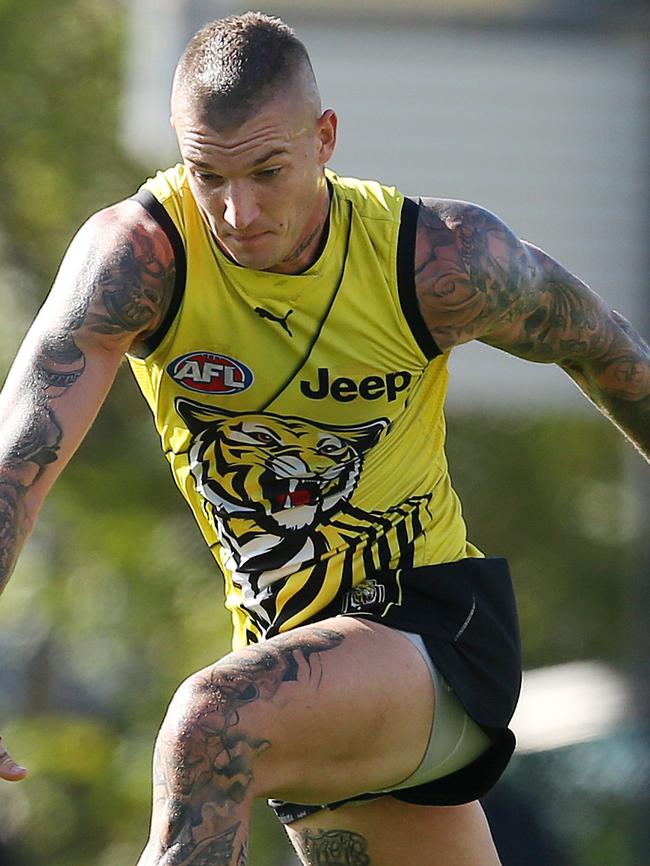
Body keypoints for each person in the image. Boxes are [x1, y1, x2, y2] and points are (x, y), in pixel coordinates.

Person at [0, 11, 648, 866]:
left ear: (325, 138)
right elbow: (18, 462)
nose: (238, 211)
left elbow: (609, 352)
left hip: (432, 632)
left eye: (268, 171)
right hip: (294, 657)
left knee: (210, 723)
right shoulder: (138, 261)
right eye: (209, 176)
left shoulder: (440, 260)